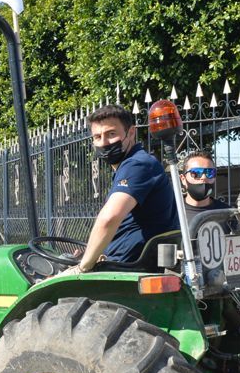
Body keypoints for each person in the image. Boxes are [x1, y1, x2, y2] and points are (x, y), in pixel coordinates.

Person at [57, 104, 178, 274]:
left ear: (130, 132)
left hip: (127, 269)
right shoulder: (130, 166)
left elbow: (109, 218)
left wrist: (83, 266)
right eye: (97, 137)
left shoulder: (137, 164)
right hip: (122, 262)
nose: (104, 143)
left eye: (111, 134)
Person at [180, 151, 230, 223]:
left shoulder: (228, 213)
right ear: (183, 179)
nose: (204, 177)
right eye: (196, 173)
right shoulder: (173, 213)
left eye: (209, 173)